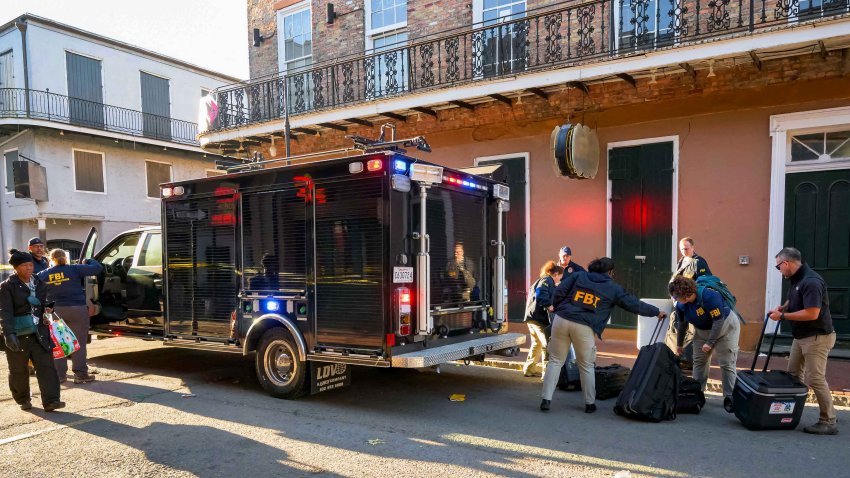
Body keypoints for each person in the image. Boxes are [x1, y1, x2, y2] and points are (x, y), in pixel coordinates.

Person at [540, 257, 666, 413]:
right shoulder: (613, 288)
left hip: (561, 319)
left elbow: (559, 292)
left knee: (555, 361)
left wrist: (558, 307)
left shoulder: (578, 276)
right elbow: (633, 304)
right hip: (584, 326)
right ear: (610, 272)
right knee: (586, 365)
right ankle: (589, 404)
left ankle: (546, 400)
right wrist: (655, 312)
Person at [768, 247, 837, 435]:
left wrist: (783, 316)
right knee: (793, 375)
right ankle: (789, 412)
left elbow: (812, 313)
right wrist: (783, 307)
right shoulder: (798, 279)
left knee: (815, 378)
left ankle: (828, 421)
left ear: (786, 263)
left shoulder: (811, 281)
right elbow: (795, 299)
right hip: (801, 337)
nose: (779, 270)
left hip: (817, 337)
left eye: (778, 267)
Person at [0, 249, 64, 412]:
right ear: (16, 268)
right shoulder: (7, 287)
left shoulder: (40, 283)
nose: (29, 268)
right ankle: (23, 399)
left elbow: (47, 302)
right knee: (19, 370)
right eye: (24, 265)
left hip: (39, 333)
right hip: (18, 334)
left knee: (46, 367)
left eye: (30, 265)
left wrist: (48, 310)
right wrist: (9, 334)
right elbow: (4, 312)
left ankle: (51, 400)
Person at [668, 276, 740, 407]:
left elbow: (718, 321)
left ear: (685, 295)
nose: (674, 299)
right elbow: (682, 323)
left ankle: (730, 398)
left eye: (676, 297)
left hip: (726, 328)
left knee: (726, 363)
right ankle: (696, 394)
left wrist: (710, 342)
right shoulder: (681, 305)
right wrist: (679, 344)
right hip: (702, 331)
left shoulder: (709, 296)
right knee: (699, 362)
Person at [38, 248, 103, 384]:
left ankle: (60, 376)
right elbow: (97, 268)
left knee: (59, 343)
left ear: (50, 259)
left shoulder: (44, 274)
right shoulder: (74, 269)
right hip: (77, 309)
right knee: (79, 343)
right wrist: (88, 260)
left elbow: (33, 283)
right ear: (65, 258)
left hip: (55, 311)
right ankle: (81, 374)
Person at [666, 237, 713, 366]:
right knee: (678, 327)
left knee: (691, 331)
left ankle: (690, 361)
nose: (684, 251)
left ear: (693, 247)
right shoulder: (682, 261)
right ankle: (680, 357)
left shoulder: (699, 262)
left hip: (693, 304)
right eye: (681, 249)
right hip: (680, 303)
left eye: (686, 248)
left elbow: (705, 282)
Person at [522, 261, 564, 378]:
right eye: (560, 277)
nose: (559, 280)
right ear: (555, 274)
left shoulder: (542, 280)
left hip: (532, 318)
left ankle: (529, 369)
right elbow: (540, 295)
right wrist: (549, 305)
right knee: (547, 345)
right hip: (539, 319)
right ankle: (547, 375)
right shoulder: (547, 281)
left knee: (537, 344)